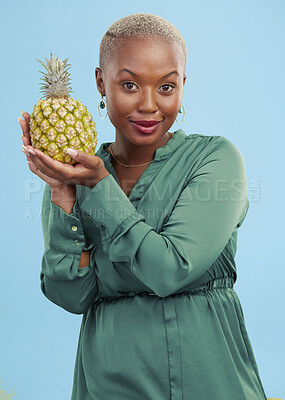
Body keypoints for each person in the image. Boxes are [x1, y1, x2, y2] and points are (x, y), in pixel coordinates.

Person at [19, 12, 268, 400]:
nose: (149, 105)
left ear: (183, 84)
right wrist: (63, 197)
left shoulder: (216, 160)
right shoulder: (77, 174)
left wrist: (100, 191)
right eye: (130, 84)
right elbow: (71, 296)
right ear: (101, 82)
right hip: (107, 385)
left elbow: (170, 268)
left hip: (208, 383)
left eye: (166, 87)